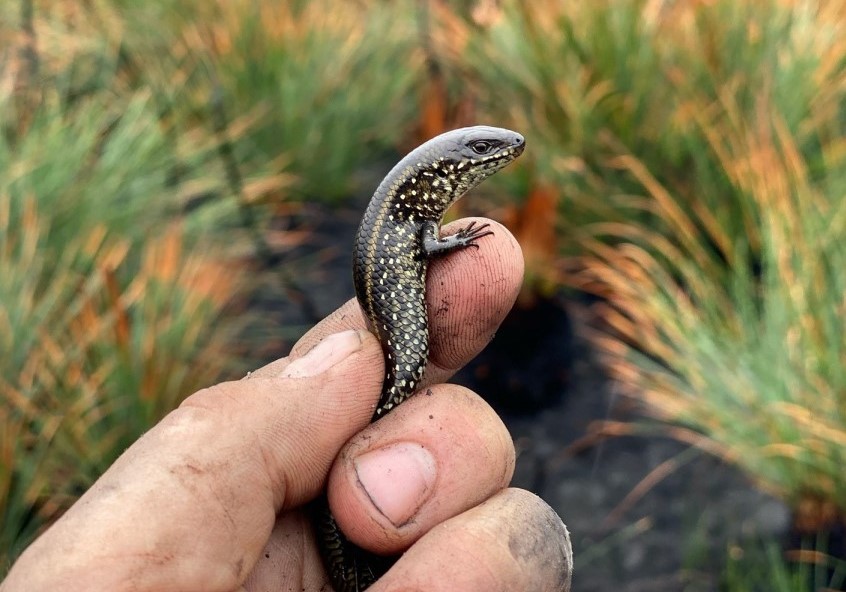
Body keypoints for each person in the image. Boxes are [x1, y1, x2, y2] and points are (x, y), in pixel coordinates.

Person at [1, 219, 572, 591]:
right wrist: (449, 245)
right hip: (379, 388)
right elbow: (424, 245)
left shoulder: (405, 218)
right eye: (484, 153)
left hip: (391, 387)